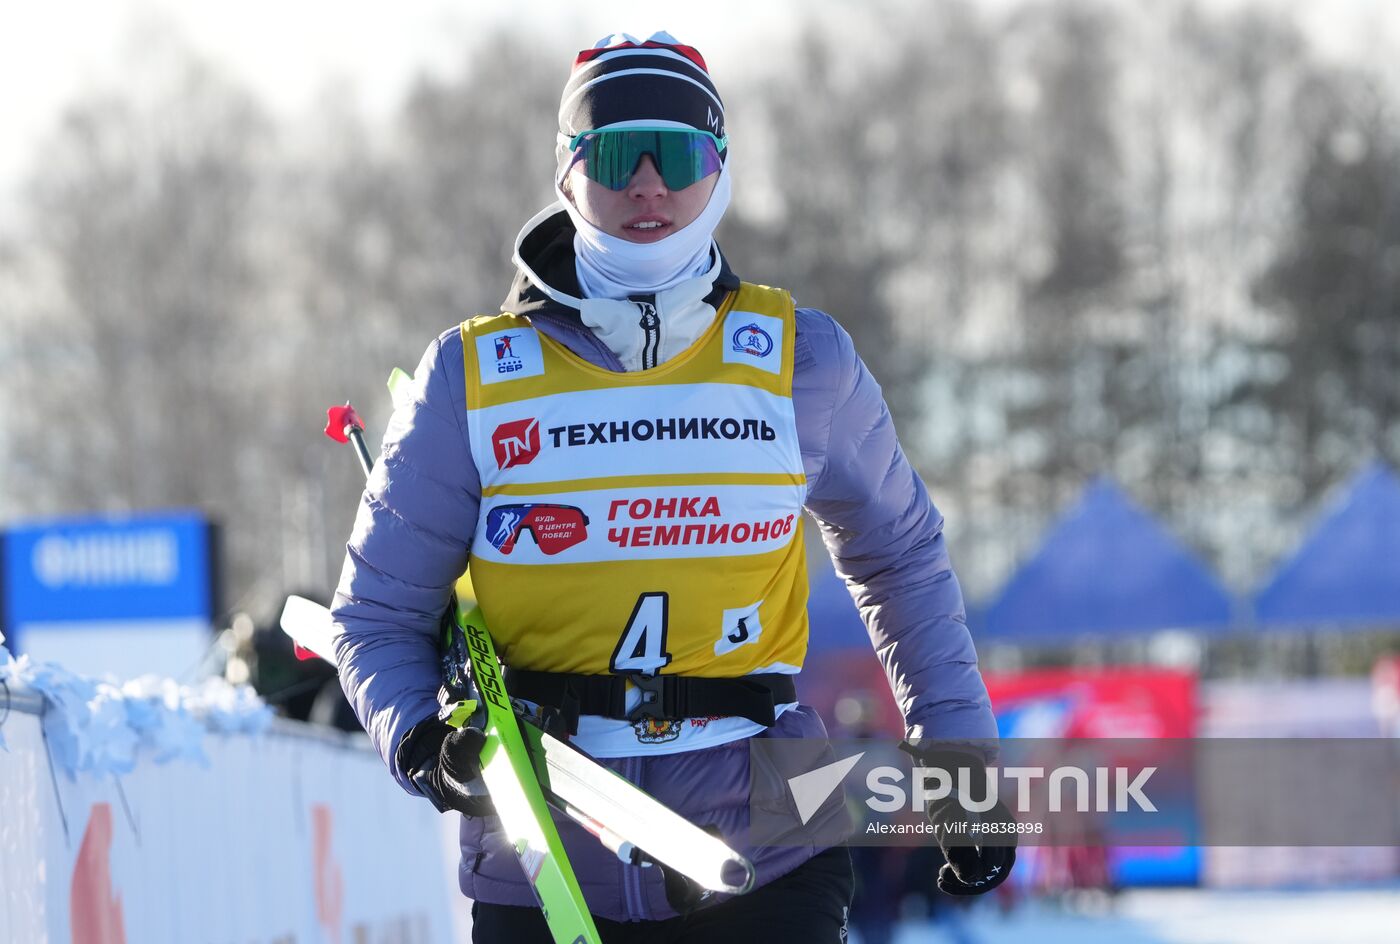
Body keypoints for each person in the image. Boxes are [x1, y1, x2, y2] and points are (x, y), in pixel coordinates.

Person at [331, 31, 1012, 943]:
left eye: (678, 152)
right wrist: (424, 743)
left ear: (720, 168)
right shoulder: (472, 374)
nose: (647, 183)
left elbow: (903, 559)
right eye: (614, 153)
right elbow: (375, 612)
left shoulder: (804, 360)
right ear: (567, 174)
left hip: (769, 857)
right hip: (545, 865)